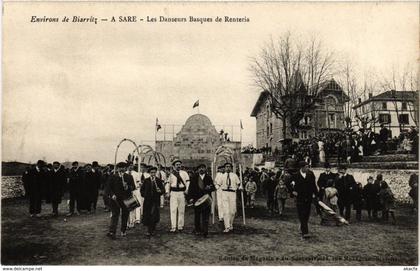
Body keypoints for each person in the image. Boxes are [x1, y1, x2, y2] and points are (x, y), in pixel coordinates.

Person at [105, 162, 135, 239]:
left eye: (123, 167)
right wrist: (112, 195)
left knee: (125, 214)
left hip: (126, 198)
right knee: (115, 214)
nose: (122, 169)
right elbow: (108, 188)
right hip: (115, 199)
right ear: (117, 168)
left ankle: (123, 230)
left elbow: (133, 187)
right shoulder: (112, 177)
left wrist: (127, 187)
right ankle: (112, 232)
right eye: (120, 167)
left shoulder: (129, 177)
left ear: (125, 168)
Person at [289, 161, 318, 239]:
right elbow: (288, 184)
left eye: (308, 166)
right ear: (301, 167)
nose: (307, 168)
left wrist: (316, 194)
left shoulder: (310, 174)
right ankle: (305, 232)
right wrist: (292, 192)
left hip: (308, 197)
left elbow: (313, 185)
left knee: (306, 214)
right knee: (301, 214)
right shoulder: (295, 175)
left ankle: (303, 227)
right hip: (300, 198)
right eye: (306, 167)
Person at [187, 164, 215, 238]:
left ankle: (205, 230)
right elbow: (190, 189)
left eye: (203, 168)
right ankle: (197, 229)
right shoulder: (194, 177)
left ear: (205, 169)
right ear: (198, 169)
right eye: (200, 168)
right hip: (197, 199)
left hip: (206, 199)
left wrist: (210, 187)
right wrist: (190, 198)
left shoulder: (208, 177)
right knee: (197, 215)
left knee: (206, 216)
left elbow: (213, 187)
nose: (201, 169)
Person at [216, 162, 243, 233]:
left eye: (229, 167)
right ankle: (227, 226)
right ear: (224, 168)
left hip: (232, 193)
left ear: (231, 168)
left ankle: (231, 224)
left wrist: (240, 187)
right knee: (226, 211)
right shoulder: (222, 176)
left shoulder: (234, 175)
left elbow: (239, 183)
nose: (228, 168)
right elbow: (218, 185)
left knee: (232, 211)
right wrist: (214, 188)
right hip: (224, 193)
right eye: (226, 167)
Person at [166, 159, 190, 232]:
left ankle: (180, 226)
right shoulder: (171, 174)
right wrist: (167, 192)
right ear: (174, 166)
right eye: (177, 165)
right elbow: (168, 183)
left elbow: (188, 182)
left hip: (182, 193)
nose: (178, 166)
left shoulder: (184, 173)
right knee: (173, 210)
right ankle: (173, 226)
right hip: (173, 193)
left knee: (181, 210)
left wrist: (187, 189)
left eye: (179, 164)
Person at [140, 166, 165, 237]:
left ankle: (153, 229)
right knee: (148, 215)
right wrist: (145, 195)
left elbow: (163, 190)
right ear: (149, 173)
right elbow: (142, 190)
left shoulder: (158, 180)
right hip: (148, 201)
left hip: (155, 200)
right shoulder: (146, 180)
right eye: (151, 173)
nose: (153, 174)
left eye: (154, 172)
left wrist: (160, 191)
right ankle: (149, 230)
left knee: (154, 215)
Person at [127, 164, 141, 228]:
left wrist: (137, 187)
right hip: (127, 192)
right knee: (128, 207)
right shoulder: (125, 173)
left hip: (135, 191)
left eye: (131, 165)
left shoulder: (136, 173)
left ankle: (135, 220)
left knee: (134, 206)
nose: (130, 167)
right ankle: (128, 222)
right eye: (129, 166)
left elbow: (138, 182)